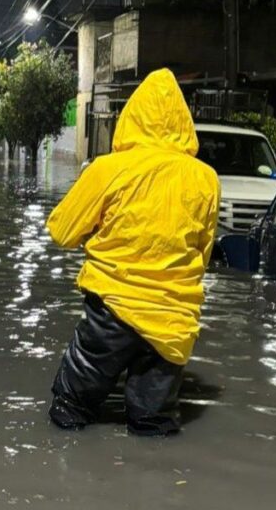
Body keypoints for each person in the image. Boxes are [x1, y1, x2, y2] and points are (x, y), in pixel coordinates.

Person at [46, 68, 220, 437]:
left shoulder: (108, 169)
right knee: (154, 424)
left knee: (70, 411)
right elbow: (203, 253)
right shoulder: (206, 178)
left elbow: (62, 231)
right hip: (175, 318)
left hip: (111, 309)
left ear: (132, 118)